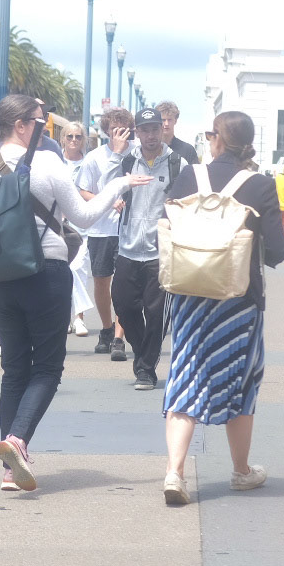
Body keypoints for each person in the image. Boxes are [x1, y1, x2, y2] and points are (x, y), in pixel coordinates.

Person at [0, 93, 142, 492]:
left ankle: (10, 469)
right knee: (47, 368)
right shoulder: (47, 162)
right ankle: (17, 440)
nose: (43, 127)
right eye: (39, 121)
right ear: (21, 126)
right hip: (45, 272)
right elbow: (83, 216)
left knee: (14, 368)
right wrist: (119, 183)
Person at [160, 110, 284, 506]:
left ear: (216, 138)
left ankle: (174, 472)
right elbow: (277, 253)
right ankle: (241, 471)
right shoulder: (260, 185)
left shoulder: (189, 176)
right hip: (238, 302)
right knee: (241, 382)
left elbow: (167, 225)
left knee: (186, 375)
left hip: (188, 296)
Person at [114, 107, 185, 390]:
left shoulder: (177, 163)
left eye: (155, 129)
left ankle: (145, 369)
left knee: (156, 314)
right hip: (128, 247)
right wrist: (115, 199)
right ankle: (144, 352)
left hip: (161, 251)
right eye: (144, 130)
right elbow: (109, 188)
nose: (151, 135)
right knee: (123, 305)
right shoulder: (127, 161)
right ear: (137, 132)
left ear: (162, 129)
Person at [79, 108, 135, 361]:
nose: (120, 133)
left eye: (124, 128)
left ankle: (119, 337)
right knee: (101, 282)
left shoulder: (137, 152)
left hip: (128, 230)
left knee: (123, 284)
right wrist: (107, 200)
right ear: (106, 131)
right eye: (114, 129)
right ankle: (106, 328)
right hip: (101, 230)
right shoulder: (95, 157)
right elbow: (83, 190)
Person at [60, 120, 96, 337]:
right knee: (60, 271)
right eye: (70, 136)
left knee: (78, 268)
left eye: (78, 136)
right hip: (57, 224)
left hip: (82, 224)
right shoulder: (55, 161)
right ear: (63, 139)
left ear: (83, 140)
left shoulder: (89, 162)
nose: (74, 140)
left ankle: (79, 318)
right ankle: (64, 316)